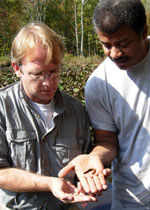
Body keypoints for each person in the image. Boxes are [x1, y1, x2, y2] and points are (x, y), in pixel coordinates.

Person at [59, 0, 150, 209]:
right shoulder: (99, 84)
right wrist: (95, 157)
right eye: (106, 45)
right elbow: (107, 141)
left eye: (123, 44)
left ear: (143, 32)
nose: (114, 54)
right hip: (136, 200)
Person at [0, 21, 96, 210]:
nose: (48, 83)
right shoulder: (3, 107)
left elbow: (85, 161)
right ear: (17, 68)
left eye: (54, 72)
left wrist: (91, 175)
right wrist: (49, 183)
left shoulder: (76, 110)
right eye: (37, 74)